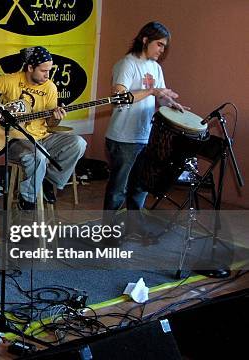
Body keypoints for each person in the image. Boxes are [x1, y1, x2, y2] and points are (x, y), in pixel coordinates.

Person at [0, 46, 87, 208]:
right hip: (16, 139)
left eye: (49, 70)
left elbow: (51, 124)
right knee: (38, 157)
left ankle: (49, 180)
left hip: (43, 137)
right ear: (30, 68)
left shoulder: (50, 88)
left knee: (79, 143)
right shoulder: (11, 80)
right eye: (43, 71)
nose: (48, 75)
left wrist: (56, 118)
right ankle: (27, 199)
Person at [103, 21, 188, 234]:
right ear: (145, 40)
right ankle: (108, 231)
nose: (162, 50)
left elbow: (160, 97)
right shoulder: (126, 64)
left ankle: (134, 226)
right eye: (159, 44)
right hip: (123, 137)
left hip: (144, 135)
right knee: (118, 189)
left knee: (140, 185)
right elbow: (118, 98)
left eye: (164, 46)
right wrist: (151, 92)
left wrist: (171, 103)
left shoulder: (155, 68)